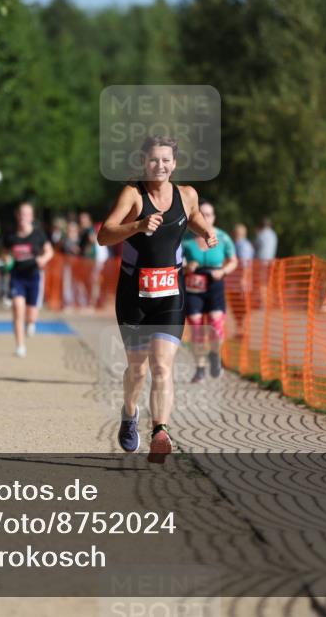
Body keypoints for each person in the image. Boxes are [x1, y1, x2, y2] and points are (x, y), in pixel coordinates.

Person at [97, 135, 217, 463]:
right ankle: (129, 412)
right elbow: (104, 234)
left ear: (174, 163)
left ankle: (160, 431)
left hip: (170, 294)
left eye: (166, 160)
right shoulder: (133, 194)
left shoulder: (187, 194)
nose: (160, 166)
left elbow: (191, 217)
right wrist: (136, 225)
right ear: (143, 162)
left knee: (162, 366)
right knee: (137, 369)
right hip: (134, 294)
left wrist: (206, 231)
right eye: (154, 160)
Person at [183, 200, 239, 382]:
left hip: (215, 282)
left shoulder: (222, 237)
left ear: (214, 217)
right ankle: (200, 368)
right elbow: (175, 260)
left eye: (209, 214)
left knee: (216, 324)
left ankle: (215, 355)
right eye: (202, 214)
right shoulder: (187, 238)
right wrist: (186, 267)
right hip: (193, 284)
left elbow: (233, 261)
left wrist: (222, 271)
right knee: (197, 327)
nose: (206, 218)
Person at [3, 201, 54, 357]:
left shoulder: (38, 234)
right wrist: (6, 260)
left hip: (34, 276)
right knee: (18, 308)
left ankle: (31, 323)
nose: (23, 217)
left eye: (27, 214)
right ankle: (20, 346)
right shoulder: (10, 236)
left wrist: (43, 259)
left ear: (31, 217)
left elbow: (49, 251)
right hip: (17, 277)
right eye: (21, 214)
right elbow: (6, 254)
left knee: (31, 315)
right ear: (17, 216)